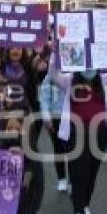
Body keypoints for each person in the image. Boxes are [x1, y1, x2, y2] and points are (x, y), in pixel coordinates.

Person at [59, 65, 107, 214]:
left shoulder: (104, 80)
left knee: (92, 170)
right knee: (78, 171)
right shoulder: (69, 80)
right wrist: (56, 49)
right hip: (76, 132)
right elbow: (53, 73)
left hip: (100, 132)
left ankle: (84, 205)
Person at [38, 59, 70, 192]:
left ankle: (74, 179)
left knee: (75, 149)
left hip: (73, 117)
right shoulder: (50, 76)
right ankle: (62, 178)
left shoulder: (76, 74)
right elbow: (44, 98)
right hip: (56, 117)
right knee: (58, 149)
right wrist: (46, 117)